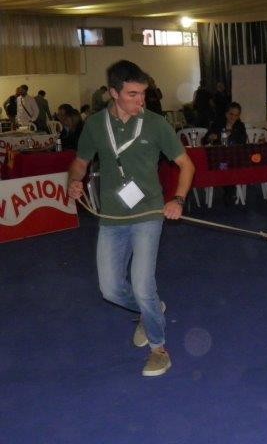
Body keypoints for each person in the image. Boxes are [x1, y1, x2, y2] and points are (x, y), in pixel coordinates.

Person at [67, 60, 195, 377]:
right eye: (133, 94)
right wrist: (74, 180)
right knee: (110, 289)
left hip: (149, 214)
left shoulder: (156, 124)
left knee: (142, 284)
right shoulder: (96, 125)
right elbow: (80, 162)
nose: (141, 101)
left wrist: (177, 199)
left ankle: (159, 349)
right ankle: (149, 309)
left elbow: (187, 166)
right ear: (113, 93)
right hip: (111, 218)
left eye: (144, 94)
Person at [204, 101, 247, 205]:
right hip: (219, 158)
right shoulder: (217, 124)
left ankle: (229, 192)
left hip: (236, 158)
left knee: (229, 166)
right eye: (231, 114)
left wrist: (230, 134)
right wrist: (211, 138)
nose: (233, 117)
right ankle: (229, 192)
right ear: (226, 114)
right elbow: (205, 140)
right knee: (224, 166)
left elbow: (242, 141)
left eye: (236, 115)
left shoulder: (240, 126)